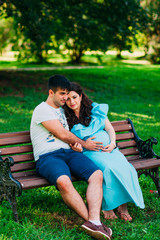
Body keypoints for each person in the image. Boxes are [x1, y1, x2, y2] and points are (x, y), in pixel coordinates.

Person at [30, 74, 112, 240]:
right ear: (51, 93)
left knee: (96, 174)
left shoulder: (62, 110)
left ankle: (94, 221)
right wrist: (84, 143)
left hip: (69, 152)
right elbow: (61, 133)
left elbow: (71, 134)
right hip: (48, 157)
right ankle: (93, 223)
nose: (65, 97)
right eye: (62, 94)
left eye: (66, 93)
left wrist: (78, 145)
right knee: (63, 181)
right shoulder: (42, 110)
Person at [64, 82, 145, 221]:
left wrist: (113, 144)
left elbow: (109, 129)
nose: (72, 102)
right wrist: (76, 148)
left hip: (110, 150)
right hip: (89, 153)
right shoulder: (65, 118)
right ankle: (108, 206)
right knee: (107, 169)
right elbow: (68, 140)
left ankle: (122, 206)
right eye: (68, 99)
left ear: (81, 96)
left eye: (74, 97)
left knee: (126, 168)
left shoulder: (95, 109)